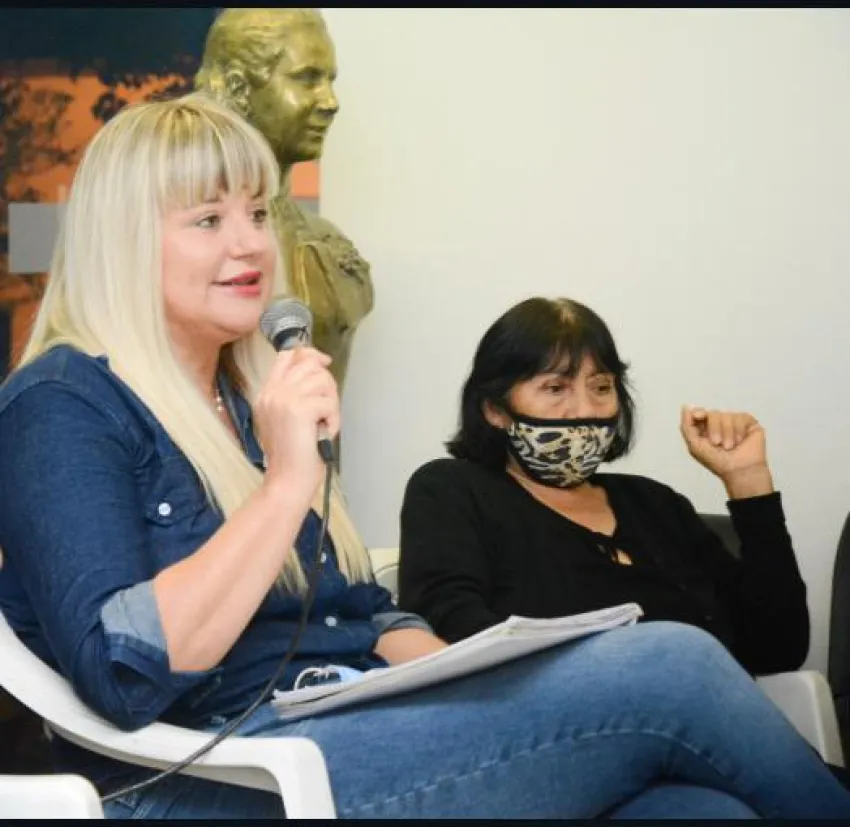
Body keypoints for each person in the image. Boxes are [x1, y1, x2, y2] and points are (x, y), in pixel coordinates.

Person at [0, 97, 849, 821]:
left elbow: (361, 610)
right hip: (223, 772)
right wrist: (288, 482)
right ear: (123, 242)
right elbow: (123, 675)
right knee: (671, 661)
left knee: (701, 810)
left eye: (258, 213)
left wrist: (479, 676)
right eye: (208, 220)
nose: (252, 245)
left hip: (354, 718)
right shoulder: (60, 404)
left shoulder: (251, 395)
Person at [398, 297, 809, 678]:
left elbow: (778, 650)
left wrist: (748, 482)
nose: (584, 409)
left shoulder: (656, 504)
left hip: (709, 714)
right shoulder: (452, 490)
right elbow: (456, 639)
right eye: (555, 388)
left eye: (600, 387)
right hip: (570, 724)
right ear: (495, 409)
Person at [195, 7, 374, 399]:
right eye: (307, 79)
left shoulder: (328, 244)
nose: (330, 101)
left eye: (329, 80)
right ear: (239, 88)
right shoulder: (182, 245)